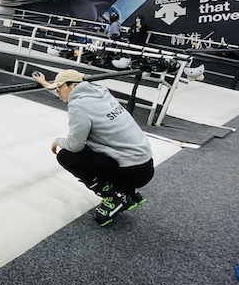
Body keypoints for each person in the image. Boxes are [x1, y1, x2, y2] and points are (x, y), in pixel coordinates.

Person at [31, 69, 154, 226]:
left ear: (73, 85)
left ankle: (115, 196)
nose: (58, 93)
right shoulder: (100, 92)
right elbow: (68, 94)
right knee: (91, 147)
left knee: (66, 156)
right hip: (145, 164)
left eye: (59, 87)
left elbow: (74, 146)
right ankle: (127, 191)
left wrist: (57, 141)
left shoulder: (78, 106)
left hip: (132, 172)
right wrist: (45, 83)